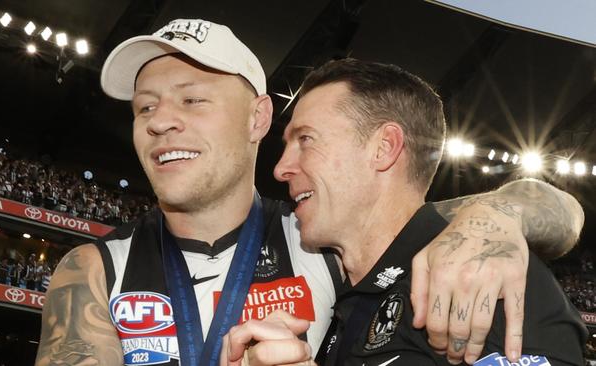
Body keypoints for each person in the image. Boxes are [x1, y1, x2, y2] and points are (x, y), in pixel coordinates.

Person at [36, 19, 583, 366]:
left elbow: (551, 210)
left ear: (257, 119)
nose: (160, 122)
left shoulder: (327, 238)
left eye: (192, 100)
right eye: (145, 107)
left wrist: (494, 216)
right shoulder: (92, 268)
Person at [222, 59, 586, 366]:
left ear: (384, 148)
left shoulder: (479, 273)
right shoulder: (343, 294)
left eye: (305, 140)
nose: (281, 168)